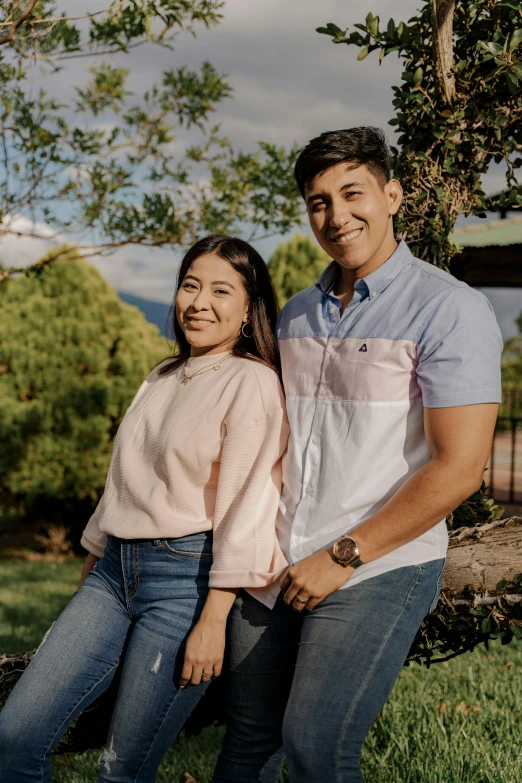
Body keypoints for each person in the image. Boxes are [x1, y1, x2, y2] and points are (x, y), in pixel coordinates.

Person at [212, 127, 502, 783]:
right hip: (279, 555)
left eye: (352, 193)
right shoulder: (295, 316)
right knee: (248, 743)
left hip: (378, 561)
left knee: (316, 745)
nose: (337, 216)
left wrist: (344, 554)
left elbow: (459, 469)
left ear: (392, 194)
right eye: (319, 202)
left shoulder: (448, 310)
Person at [0, 234, 289, 783]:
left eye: (220, 290)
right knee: (14, 736)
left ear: (250, 309)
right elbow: (122, 482)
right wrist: (92, 560)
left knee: (122, 769)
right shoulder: (161, 376)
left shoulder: (251, 382)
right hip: (112, 575)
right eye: (190, 285)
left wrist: (213, 618)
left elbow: (246, 505)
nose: (199, 302)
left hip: (188, 584)